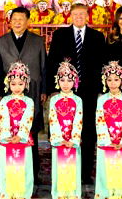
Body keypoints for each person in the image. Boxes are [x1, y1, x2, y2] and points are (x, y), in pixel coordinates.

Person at [47, 3, 107, 184]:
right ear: (70, 16)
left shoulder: (97, 37)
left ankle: (85, 173)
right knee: (65, 130)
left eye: (82, 14)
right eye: (76, 14)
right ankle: (66, 170)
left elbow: (102, 64)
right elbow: (52, 63)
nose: (79, 17)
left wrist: (100, 90)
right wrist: (53, 88)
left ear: (88, 16)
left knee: (88, 131)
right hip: (66, 91)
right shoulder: (59, 35)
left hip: (89, 92)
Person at [0, 7, 47, 181]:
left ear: (28, 21)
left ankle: (33, 171)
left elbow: (44, 67)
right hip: (10, 94)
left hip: (33, 91)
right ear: (10, 22)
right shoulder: (1, 42)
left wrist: (44, 90)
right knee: (12, 129)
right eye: (14, 19)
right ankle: (12, 170)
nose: (17, 22)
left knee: (30, 131)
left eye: (21, 19)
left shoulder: (38, 41)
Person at [95, 61, 122, 199]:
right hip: (107, 140)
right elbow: (99, 121)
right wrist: (107, 140)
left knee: (121, 171)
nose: (112, 83)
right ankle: (105, 194)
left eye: (116, 80)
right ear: (105, 81)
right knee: (106, 171)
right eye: (109, 80)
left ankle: (121, 195)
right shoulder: (101, 100)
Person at [0, 61, 36, 199]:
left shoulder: (29, 101)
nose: (17, 87)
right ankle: (8, 193)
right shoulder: (4, 101)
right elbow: (4, 118)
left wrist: (20, 135)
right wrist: (8, 135)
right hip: (8, 138)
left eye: (20, 84)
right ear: (8, 84)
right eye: (13, 84)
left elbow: (28, 118)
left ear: (26, 84)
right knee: (7, 168)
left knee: (23, 167)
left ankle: (23, 194)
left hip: (22, 138)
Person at [48, 60, 84, 199]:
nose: (65, 83)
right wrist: (59, 138)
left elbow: (78, 120)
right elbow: (53, 119)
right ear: (58, 81)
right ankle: (59, 194)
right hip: (59, 140)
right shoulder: (54, 99)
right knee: (59, 168)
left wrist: (74, 139)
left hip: (72, 140)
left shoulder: (78, 100)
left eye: (69, 80)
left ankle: (73, 194)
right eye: (62, 80)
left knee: (72, 167)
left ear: (74, 81)